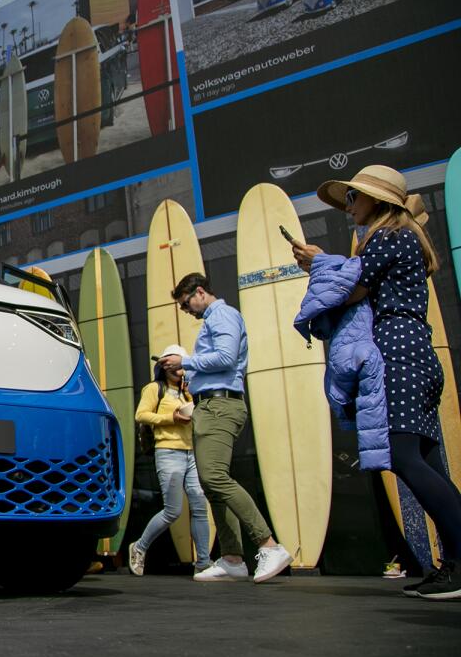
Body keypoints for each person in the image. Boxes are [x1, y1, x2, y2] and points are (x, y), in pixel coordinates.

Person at [293, 164, 461, 600]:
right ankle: (455, 565)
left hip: (398, 351)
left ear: (376, 200)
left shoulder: (387, 238)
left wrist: (317, 263)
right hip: (417, 351)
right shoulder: (403, 237)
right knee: (427, 460)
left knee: (405, 458)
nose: (348, 206)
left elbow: (348, 291)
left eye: (353, 197)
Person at [160, 274, 291, 583]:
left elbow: (226, 357)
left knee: (215, 477)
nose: (186, 310)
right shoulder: (216, 319)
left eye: (186, 303)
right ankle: (232, 558)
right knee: (211, 482)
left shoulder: (223, 315)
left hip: (220, 406)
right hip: (211, 406)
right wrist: (188, 371)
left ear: (201, 292)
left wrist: (187, 361)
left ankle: (268, 545)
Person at [128, 345, 212, 575]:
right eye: (174, 366)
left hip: (192, 452)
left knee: (199, 504)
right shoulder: (155, 388)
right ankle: (139, 547)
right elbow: (140, 415)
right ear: (164, 367)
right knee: (172, 511)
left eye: (181, 365)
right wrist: (171, 417)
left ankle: (204, 562)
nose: (178, 370)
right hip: (168, 451)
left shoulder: (188, 390)